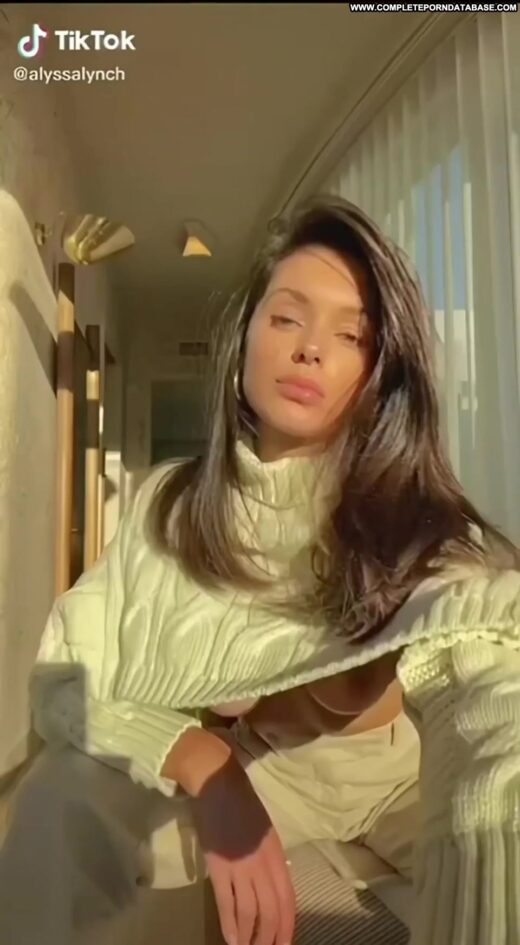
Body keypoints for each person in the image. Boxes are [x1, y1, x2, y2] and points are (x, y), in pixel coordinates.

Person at [1, 194, 519, 945]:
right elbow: (65, 677)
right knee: (60, 796)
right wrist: (204, 762)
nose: (310, 349)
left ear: (380, 374)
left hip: (410, 783)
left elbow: (487, 685)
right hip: (270, 775)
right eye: (286, 319)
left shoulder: (418, 522)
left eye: (351, 335)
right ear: (243, 336)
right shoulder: (170, 508)